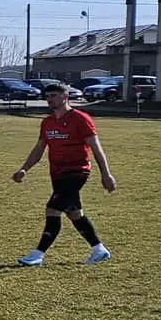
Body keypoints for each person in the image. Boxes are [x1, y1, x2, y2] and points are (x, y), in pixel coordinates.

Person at [14, 83, 116, 266]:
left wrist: (106, 174)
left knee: (53, 209)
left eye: (54, 95)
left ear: (65, 96)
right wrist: (24, 169)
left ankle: (37, 255)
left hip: (77, 171)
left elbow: (96, 148)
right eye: (48, 96)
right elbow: (39, 148)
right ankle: (99, 250)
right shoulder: (47, 122)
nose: (49, 99)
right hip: (57, 173)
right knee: (74, 213)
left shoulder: (80, 119)